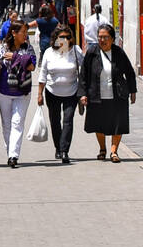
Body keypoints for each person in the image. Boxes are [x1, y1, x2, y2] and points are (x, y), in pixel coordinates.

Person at [0, 18, 36, 169]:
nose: (25, 35)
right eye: (23, 32)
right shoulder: (1, 49)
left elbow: (31, 66)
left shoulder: (28, 48)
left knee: (17, 122)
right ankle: (10, 152)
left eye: (26, 32)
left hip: (22, 92)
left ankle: (13, 155)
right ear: (14, 33)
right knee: (7, 124)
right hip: (3, 93)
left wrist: (16, 57)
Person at [78, 22, 137, 162]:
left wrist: (133, 90)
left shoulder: (118, 52)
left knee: (118, 123)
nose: (102, 40)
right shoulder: (92, 52)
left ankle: (114, 151)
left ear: (112, 38)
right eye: (99, 37)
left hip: (118, 95)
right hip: (97, 95)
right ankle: (102, 148)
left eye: (105, 37)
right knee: (99, 123)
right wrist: (82, 94)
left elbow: (129, 72)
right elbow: (83, 74)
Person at [36, 25, 80, 164]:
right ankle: (58, 147)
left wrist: (84, 92)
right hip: (52, 91)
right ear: (56, 38)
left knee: (68, 120)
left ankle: (64, 150)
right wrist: (39, 94)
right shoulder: (49, 52)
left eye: (68, 37)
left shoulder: (76, 51)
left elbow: (84, 70)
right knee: (55, 121)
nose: (65, 39)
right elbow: (43, 74)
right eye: (62, 37)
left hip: (71, 91)